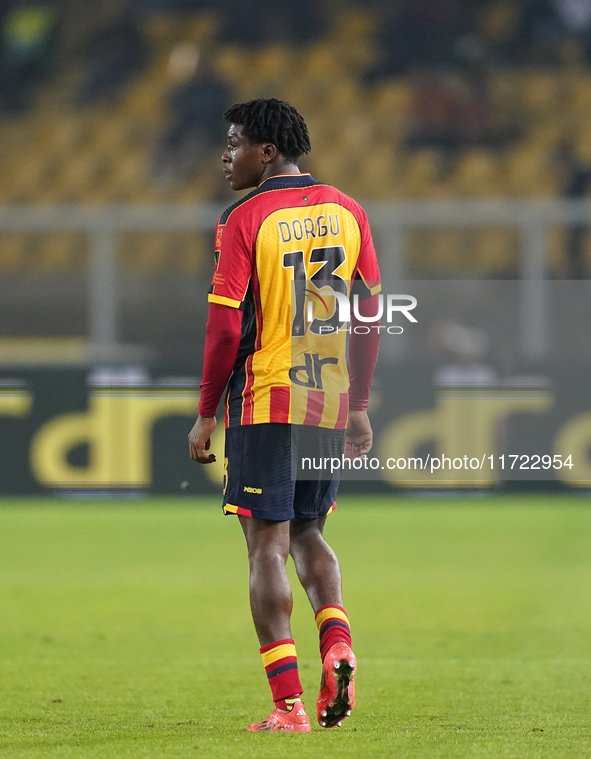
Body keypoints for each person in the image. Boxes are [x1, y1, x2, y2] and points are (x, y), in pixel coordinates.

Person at [188, 98, 381, 732]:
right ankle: (338, 646)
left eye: (235, 142)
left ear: (267, 151)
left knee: (264, 543)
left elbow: (223, 329)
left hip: (265, 395)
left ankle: (289, 707)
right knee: (309, 532)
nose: (227, 154)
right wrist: (357, 403)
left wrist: (205, 412)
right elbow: (371, 313)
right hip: (324, 400)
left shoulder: (243, 217)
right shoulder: (349, 210)